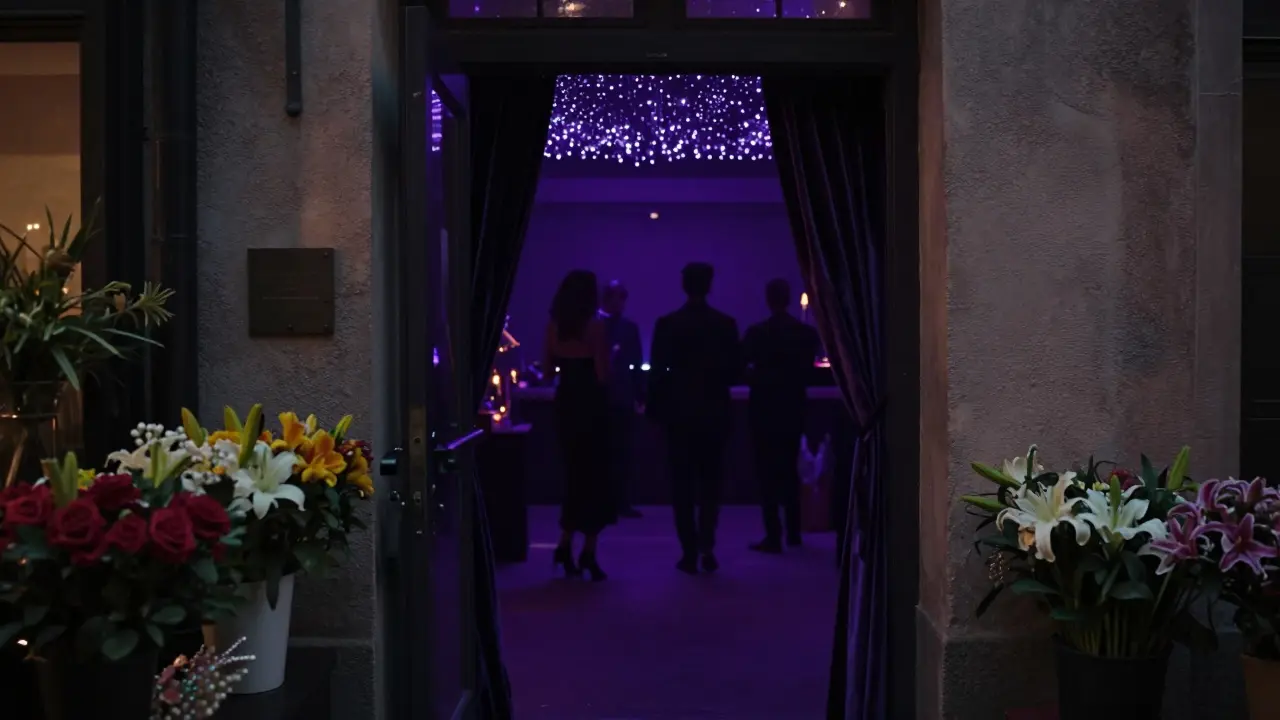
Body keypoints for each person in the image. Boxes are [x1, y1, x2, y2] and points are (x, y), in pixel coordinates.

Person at [648, 262, 740, 574]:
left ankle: (688, 550)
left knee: (682, 486)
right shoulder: (725, 325)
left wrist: (656, 412)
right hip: (714, 412)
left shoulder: (668, 324)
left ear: (684, 286)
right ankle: (706, 546)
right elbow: (734, 372)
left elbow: (658, 374)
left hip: (680, 414)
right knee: (711, 485)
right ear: (709, 285)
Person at [742, 279, 822, 553]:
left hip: (764, 409)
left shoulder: (757, 333)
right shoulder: (805, 334)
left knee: (767, 474)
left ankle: (773, 534)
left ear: (768, 298)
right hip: (792, 408)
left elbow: (740, 367)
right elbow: (810, 373)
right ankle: (794, 532)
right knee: (790, 470)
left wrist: (758, 378)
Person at [545, 270, 614, 581]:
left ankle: (564, 544)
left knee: (573, 476)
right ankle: (589, 549)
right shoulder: (596, 328)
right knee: (596, 479)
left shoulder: (554, 327)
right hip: (592, 407)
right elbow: (601, 375)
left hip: (566, 404)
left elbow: (547, 372)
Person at [599, 280, 645, 519]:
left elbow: (636, 363)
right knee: (608, 454)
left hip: (619, 398)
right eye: (617, 296)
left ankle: (620, 502)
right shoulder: (599, 328)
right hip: (606, 400)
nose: (620, 302)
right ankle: (610, 502)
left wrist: (639, 394)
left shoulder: (627, 328)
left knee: (623, 453)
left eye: (622, 297)